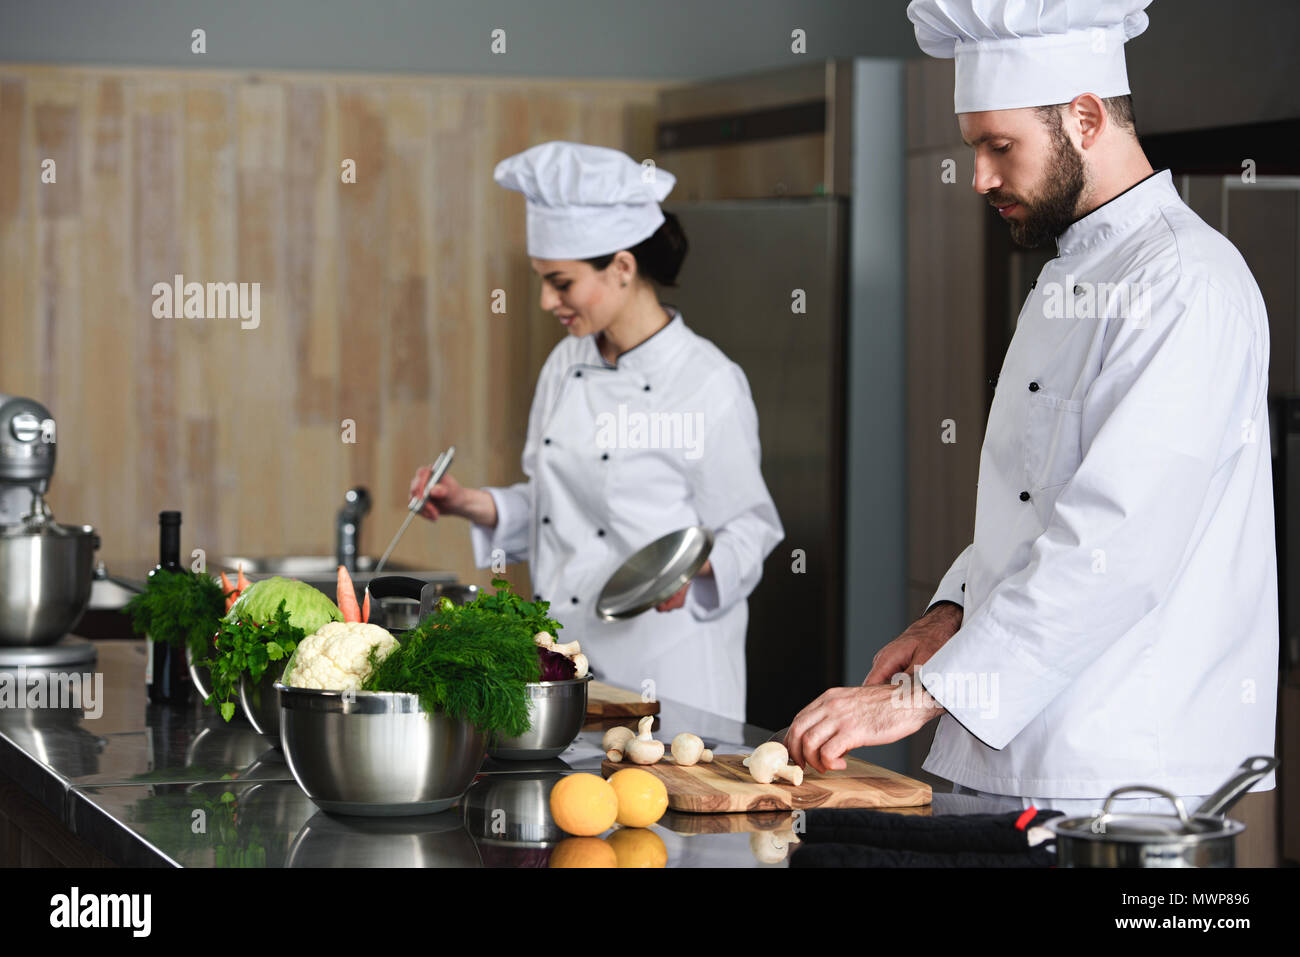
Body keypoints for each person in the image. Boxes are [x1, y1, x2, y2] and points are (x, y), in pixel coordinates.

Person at [785, 0, 1278, 815]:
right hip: (1027, 757)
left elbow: (1114, 542)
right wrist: (950, 614)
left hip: (1125, 773)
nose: (978, 176)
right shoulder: (1070, 278)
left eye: (998, 146)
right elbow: (1032, 507)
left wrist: (919, 697)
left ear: (1086, 117)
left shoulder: (1185, 283)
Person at [410, 141, 783, 722]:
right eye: (541, 281)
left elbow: (750, 528)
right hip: (569, 661)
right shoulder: (565, 363)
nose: (545, 301)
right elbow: (554, 504)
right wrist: (469, 503)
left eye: (561, 283)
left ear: (623, 269)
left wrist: (696, 570)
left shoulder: (706, 381)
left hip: (669, 673)